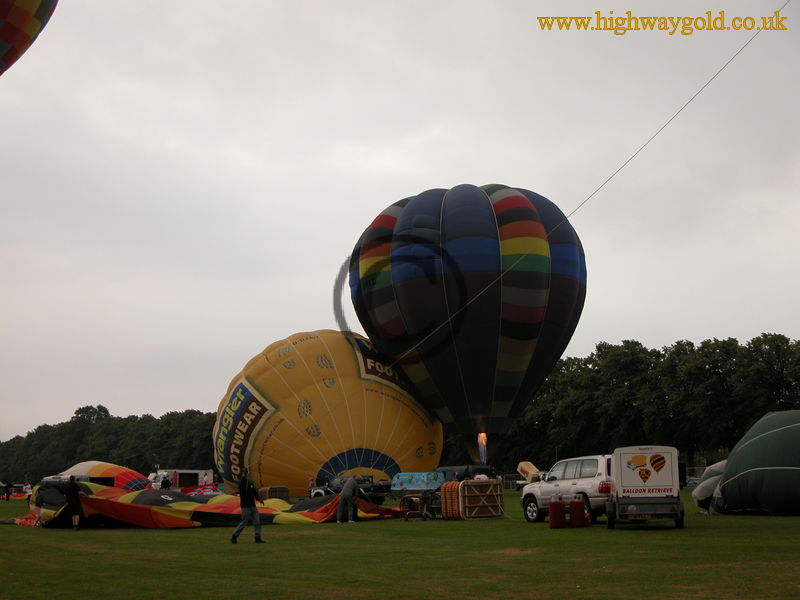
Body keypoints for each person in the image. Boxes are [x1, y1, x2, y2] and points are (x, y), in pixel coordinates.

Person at [230, 468, 264, 544]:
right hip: (245, 506)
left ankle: (257, 537)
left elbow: (255, 493)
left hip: (253, 506)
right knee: (244, 522)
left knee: (257, 521)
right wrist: (243, 476)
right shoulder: (242, 483)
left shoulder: (250, 483)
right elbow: (241, 485)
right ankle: (234, 536)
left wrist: (259, 499)